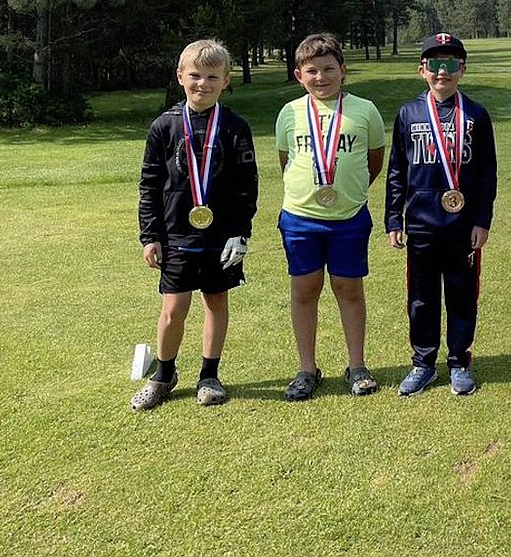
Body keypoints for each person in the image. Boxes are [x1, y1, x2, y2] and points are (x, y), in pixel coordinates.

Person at [133, 39, 258, 410]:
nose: (202, 83)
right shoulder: (164, 126)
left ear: (226, 80)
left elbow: (246, 185)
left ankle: (209, 375)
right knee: (173, 308)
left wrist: (241, 232)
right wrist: (150, 235)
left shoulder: (235, 127)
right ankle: (164, 375)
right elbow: (149, 184)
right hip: (175, 234)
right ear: (180, 77)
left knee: (216, 301)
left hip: (221, 237)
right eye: (195, 76)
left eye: (212, 77)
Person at [276, 33, 386, 401]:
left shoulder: (365, 110)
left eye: (328, 69)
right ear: (298, 75)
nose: (320, 77)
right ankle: (307, 369)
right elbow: (285, 161)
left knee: (349, 290)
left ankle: (357, 366)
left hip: (349, 217)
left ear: (343, 71)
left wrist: (348, 192)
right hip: (300, 218)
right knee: (305, 291)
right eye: (312, 71)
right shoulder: (289, 113)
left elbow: (374, 162)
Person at [386, 33, 497, 397]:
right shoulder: (408, 113)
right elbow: (397, 171)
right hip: (421, 225)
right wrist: (393, 218)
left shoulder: (477, 115)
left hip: (463, 227)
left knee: (463, 295)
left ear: (462, 69)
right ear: (422, 70)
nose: (442, 71)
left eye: (450, 63)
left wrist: (482, 219)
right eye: (435, 63)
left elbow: (486, 172)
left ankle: (459, 362)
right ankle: (423, 363)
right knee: (421, 297)